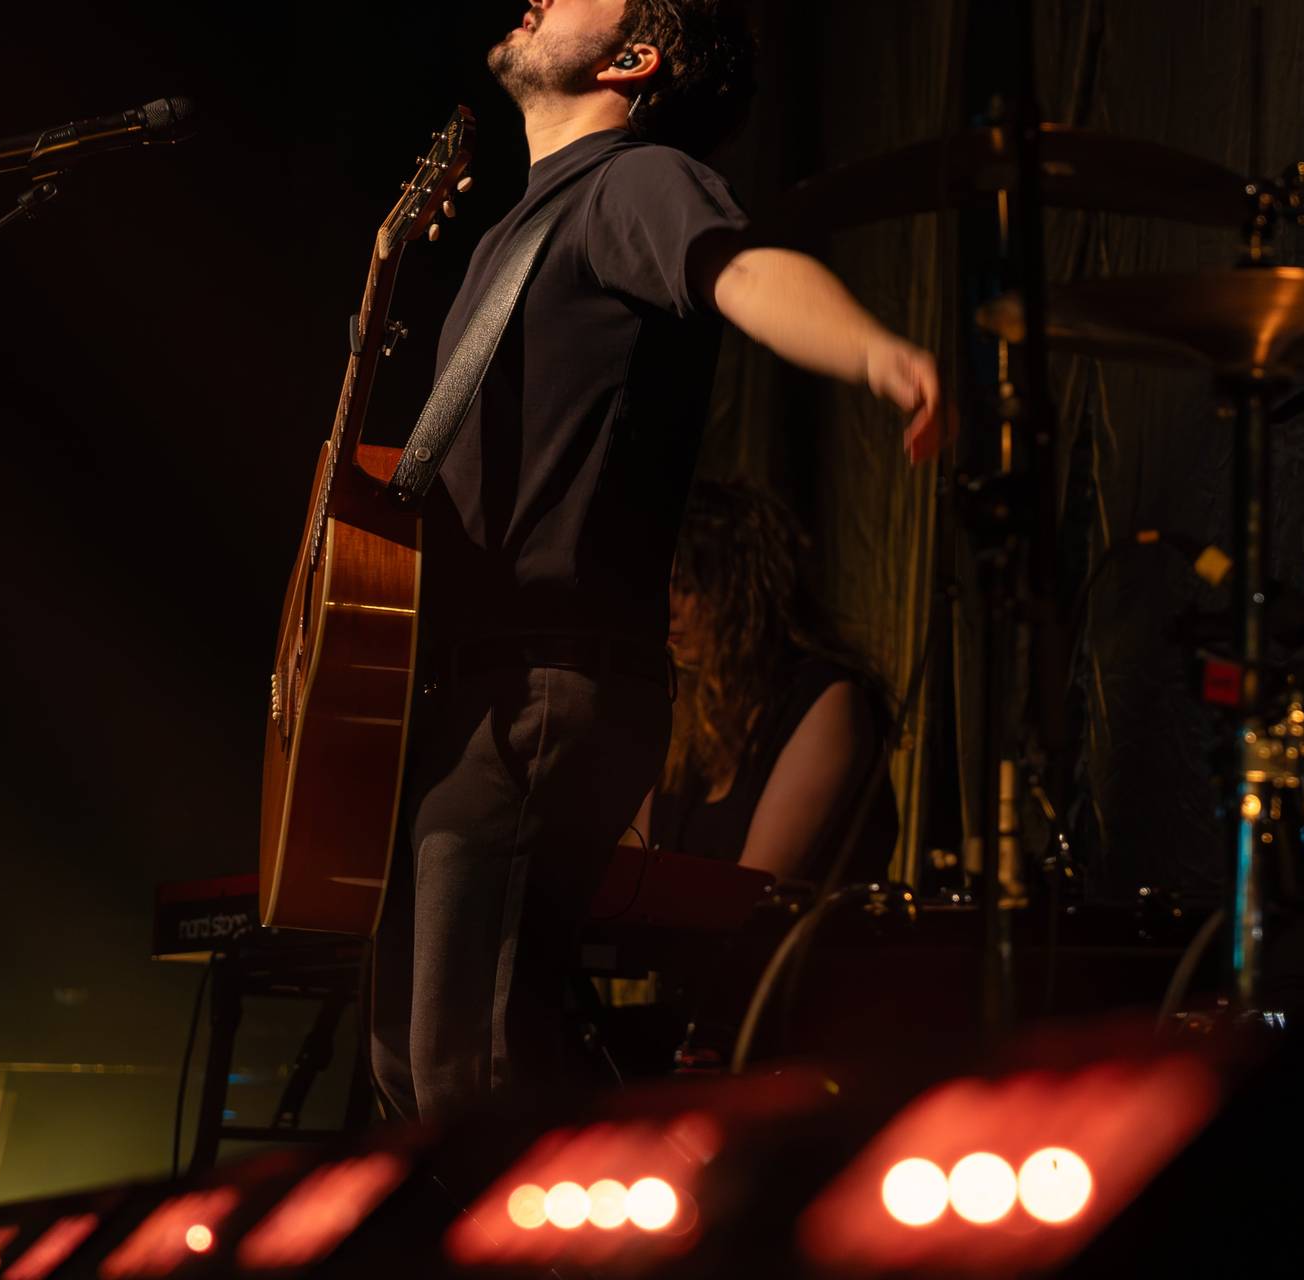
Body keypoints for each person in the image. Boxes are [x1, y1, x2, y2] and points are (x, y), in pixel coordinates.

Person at [367, 0, 943, 1121]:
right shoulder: (508, 233)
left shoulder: (635, 181)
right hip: (470, 693)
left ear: (635, 59)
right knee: (406, 1059)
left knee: (465, 1071)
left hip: (543, 682)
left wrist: (876, 352)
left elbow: (744, 270)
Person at [644, 481, 896, 881]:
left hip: (800, 944)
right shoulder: (686, 704)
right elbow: (637, 873)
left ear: (744, 592)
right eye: (665, 586)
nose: (668, 609)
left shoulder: (826, 701)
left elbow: (752, 895)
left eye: (688, 588)